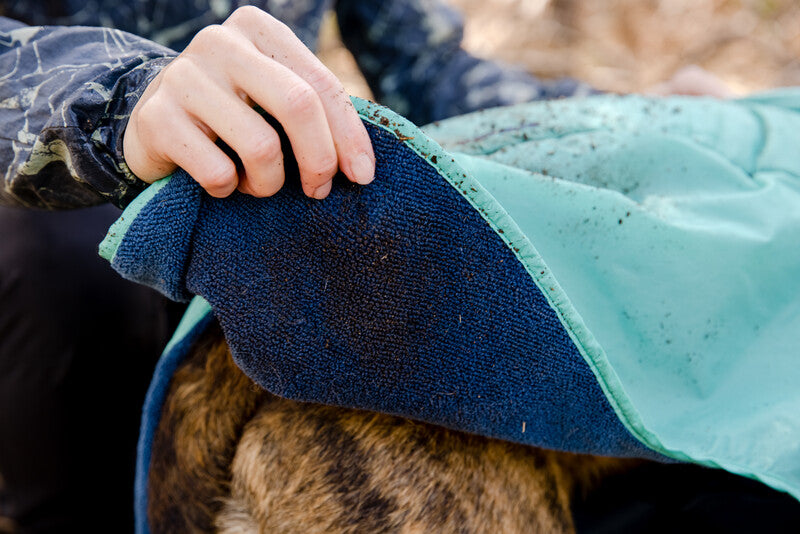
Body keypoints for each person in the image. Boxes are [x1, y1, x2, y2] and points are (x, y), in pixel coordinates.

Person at [0, 2, 591, 532]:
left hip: (262, 223)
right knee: (58, 259)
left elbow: (430, 70)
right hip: (50, 229)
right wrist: (117, 100)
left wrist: (623, 117)